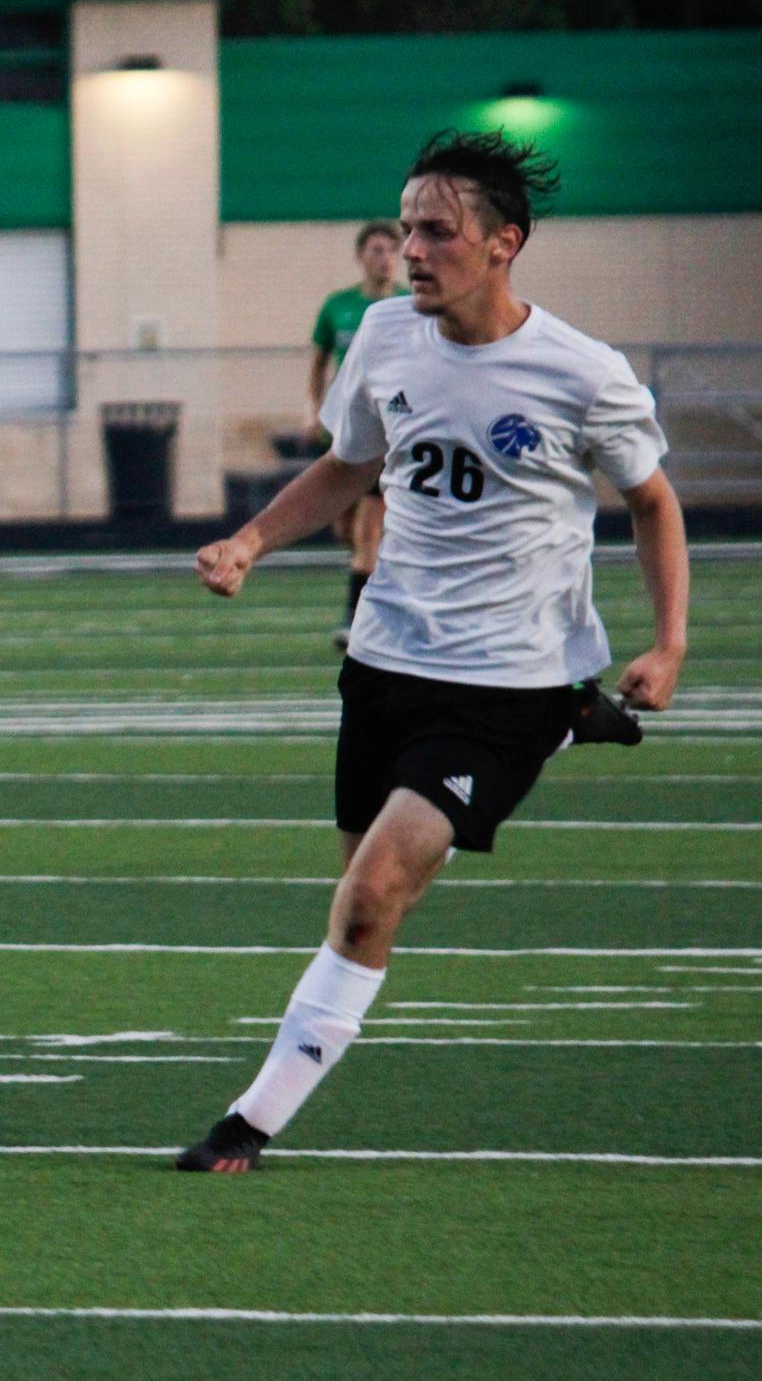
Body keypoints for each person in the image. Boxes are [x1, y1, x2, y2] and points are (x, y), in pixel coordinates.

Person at [178, 130, 688, 1173]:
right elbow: (347, 464)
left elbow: (649, 499)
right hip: (387, 659)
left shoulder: (582, 373)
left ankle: (250, 1121)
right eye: (407, 225)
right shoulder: (382, 336)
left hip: (504, 680)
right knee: (356, 898)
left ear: (505, 242)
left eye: (437, 230)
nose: (412, 247)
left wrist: (671, 641)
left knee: (373, 896)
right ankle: (572, 716)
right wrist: (251, 541)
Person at [307, 221, 406, 650]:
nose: (383, 258)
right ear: (361, 256)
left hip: (391, 430)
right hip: (350, 426)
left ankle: (356, 619)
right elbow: (318, 364)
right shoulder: (339, 306)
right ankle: (386, 591)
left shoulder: (412, 304)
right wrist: (315, 413)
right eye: (376, 250)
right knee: (346, 528)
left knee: (369, 529)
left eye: (390, 250)